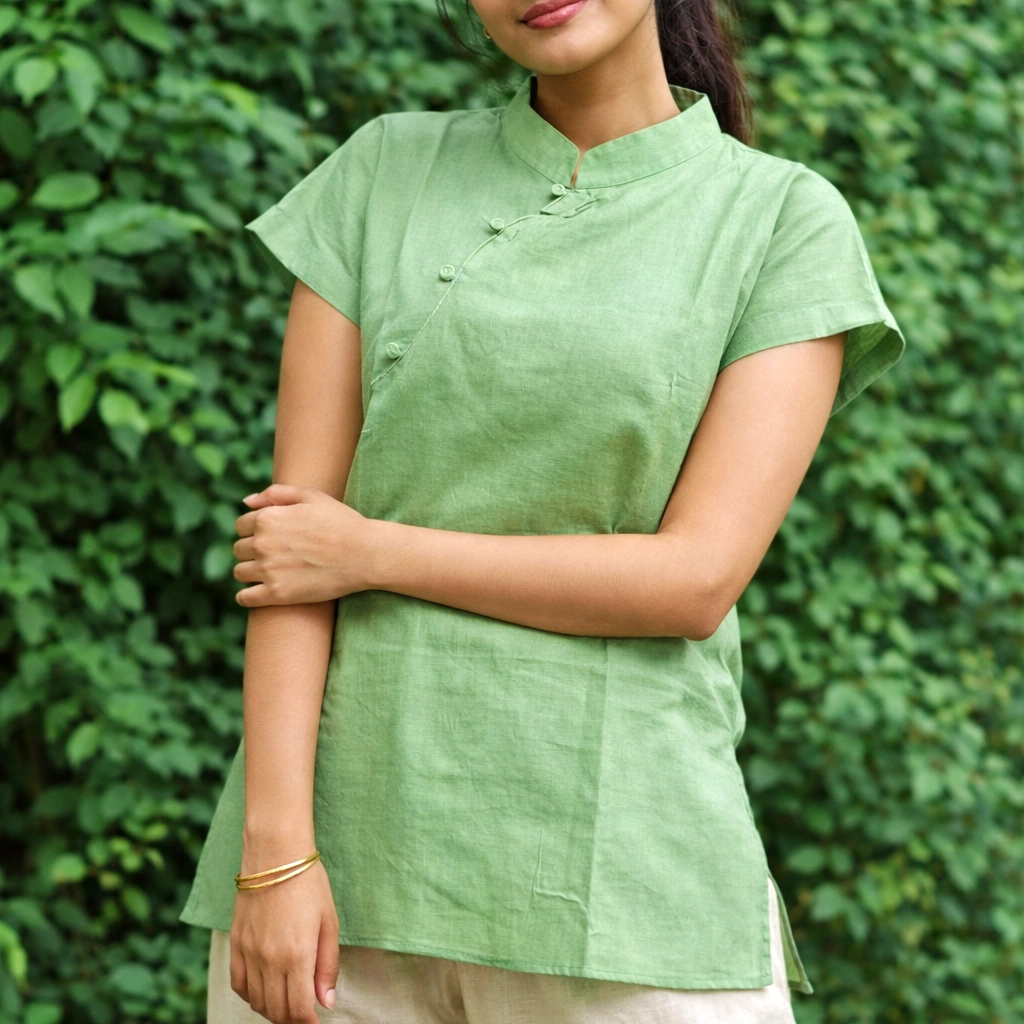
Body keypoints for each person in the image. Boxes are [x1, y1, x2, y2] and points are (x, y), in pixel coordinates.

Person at [178, 0, 906, 1021]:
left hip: (628, 890)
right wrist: (274, 857)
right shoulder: (381, 171)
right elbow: (294, 556)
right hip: (339, 893)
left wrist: (371, 551)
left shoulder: (781, 221)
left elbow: (691, 580)